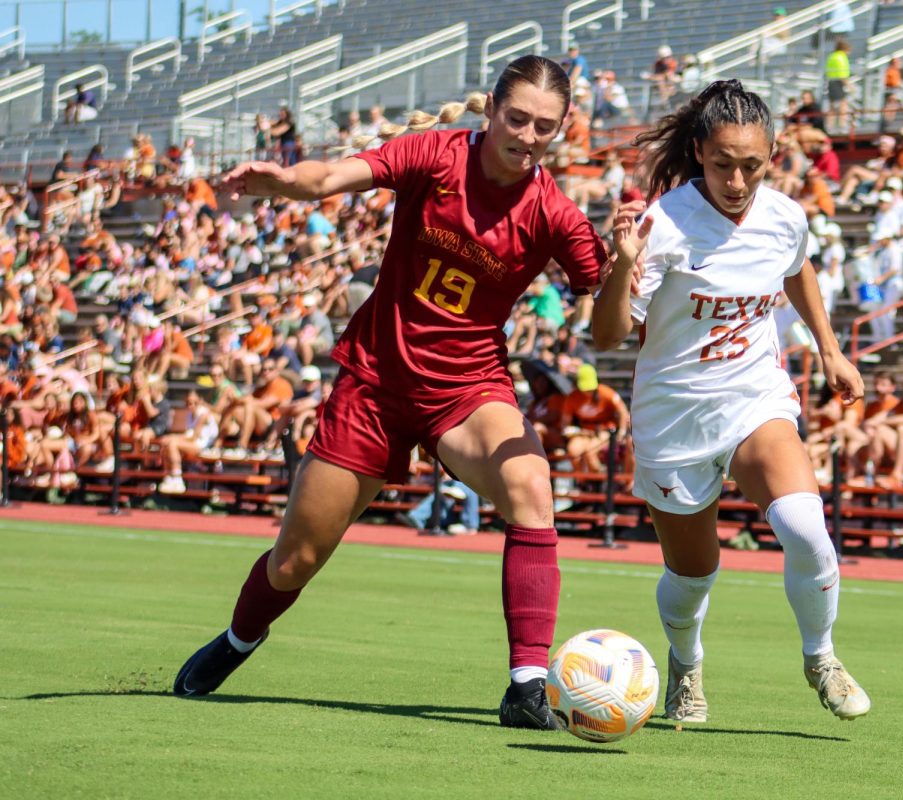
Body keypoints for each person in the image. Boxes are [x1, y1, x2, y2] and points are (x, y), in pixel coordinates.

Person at [172, 56, 608, 732]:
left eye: (544, 126)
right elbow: (334, 176)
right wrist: (287, 184)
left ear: (564, 128)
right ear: (490, 108)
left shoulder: (554, 213)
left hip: (467, 388)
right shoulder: (435, 153)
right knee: (295, 561)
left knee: (530, 483)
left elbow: (605, 303)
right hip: (374, 382)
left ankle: (526, 684)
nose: (526, 134)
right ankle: (238, 641)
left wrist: (636, 264)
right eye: (516, 117)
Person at [591, 80, 870, 724]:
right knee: (693, 573)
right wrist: (620, 264)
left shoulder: (784, 215)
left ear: (772, 154)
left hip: (755, 398)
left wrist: (829, 349)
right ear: (698, 152)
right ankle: (685, 666)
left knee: (807, 531)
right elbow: (606, 337)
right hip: (675, 415)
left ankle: (820, 656)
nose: (737, 179)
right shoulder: (660, 224)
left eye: (751, 164)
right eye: (722, 164)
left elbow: (795, 266)